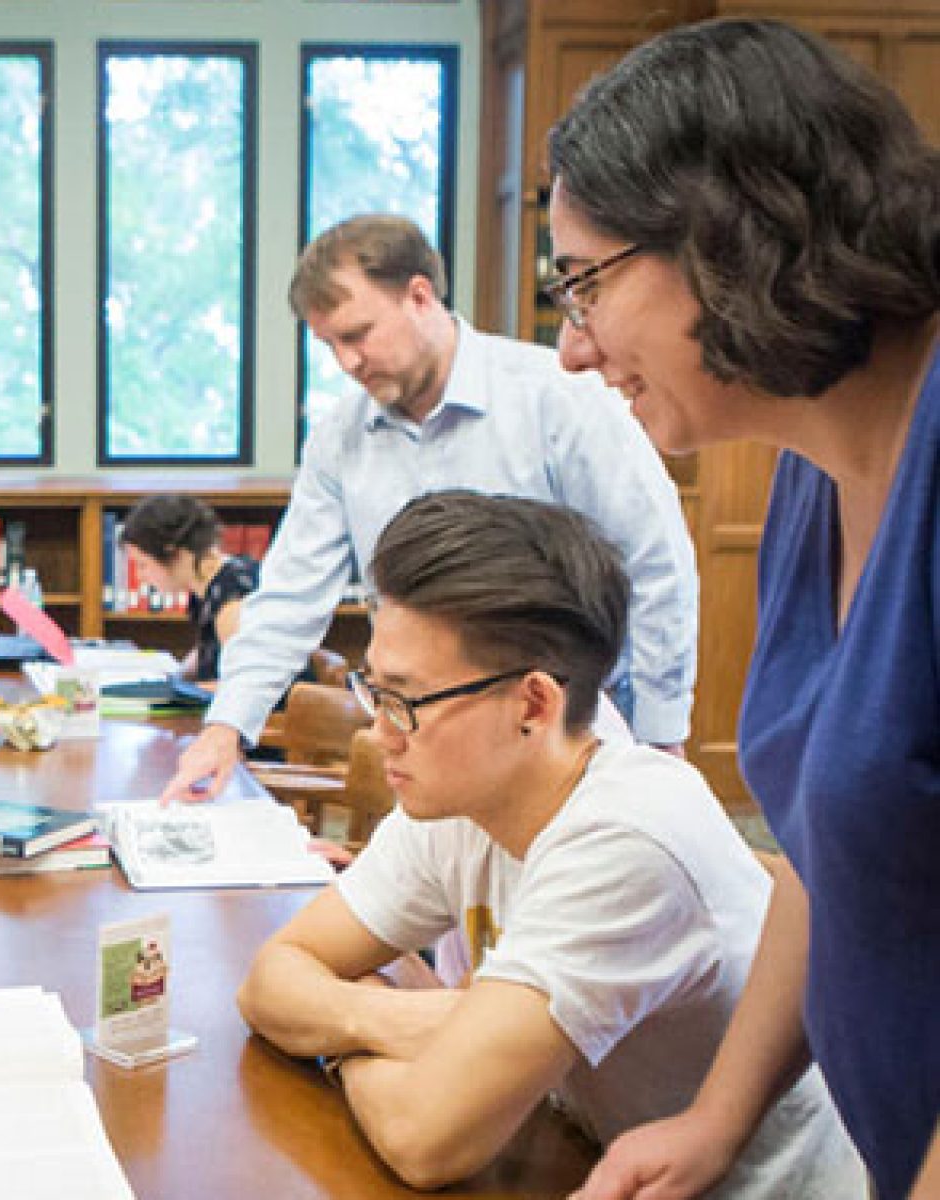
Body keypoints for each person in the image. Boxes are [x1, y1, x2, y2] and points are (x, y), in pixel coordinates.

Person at [544, 19, 940, 1200]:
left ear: (727, 234)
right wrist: (717, 1118)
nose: (572, 349)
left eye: (585, 285)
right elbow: (828, 858)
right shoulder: (815, 480)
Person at [234, 492, 863, 1197]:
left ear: (533, 705)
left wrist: (338, 1042)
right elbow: (272, 976)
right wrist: (397, 1019)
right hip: (580, 1151)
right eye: (373, 690)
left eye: (404, 700)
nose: (380, 730)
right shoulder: (455, 798)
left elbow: (426, 1137)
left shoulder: (624, 839)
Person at [161, 215, 699, 803]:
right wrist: (227, 728)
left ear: (420, 296)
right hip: (427, 746)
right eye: (329, 345)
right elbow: (291, 593)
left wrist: (660, 737)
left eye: (358, 334)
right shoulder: (340, 438)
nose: (347, 363)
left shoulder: (559, 397)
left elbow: (656, 565)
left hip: (571, 739)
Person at [118, 494, 258, 682]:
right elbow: (206, 655)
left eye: (143, 565)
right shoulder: (209, 588)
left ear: (176, 554)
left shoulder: (233, 599)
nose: (140, 577)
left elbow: (245, 688)